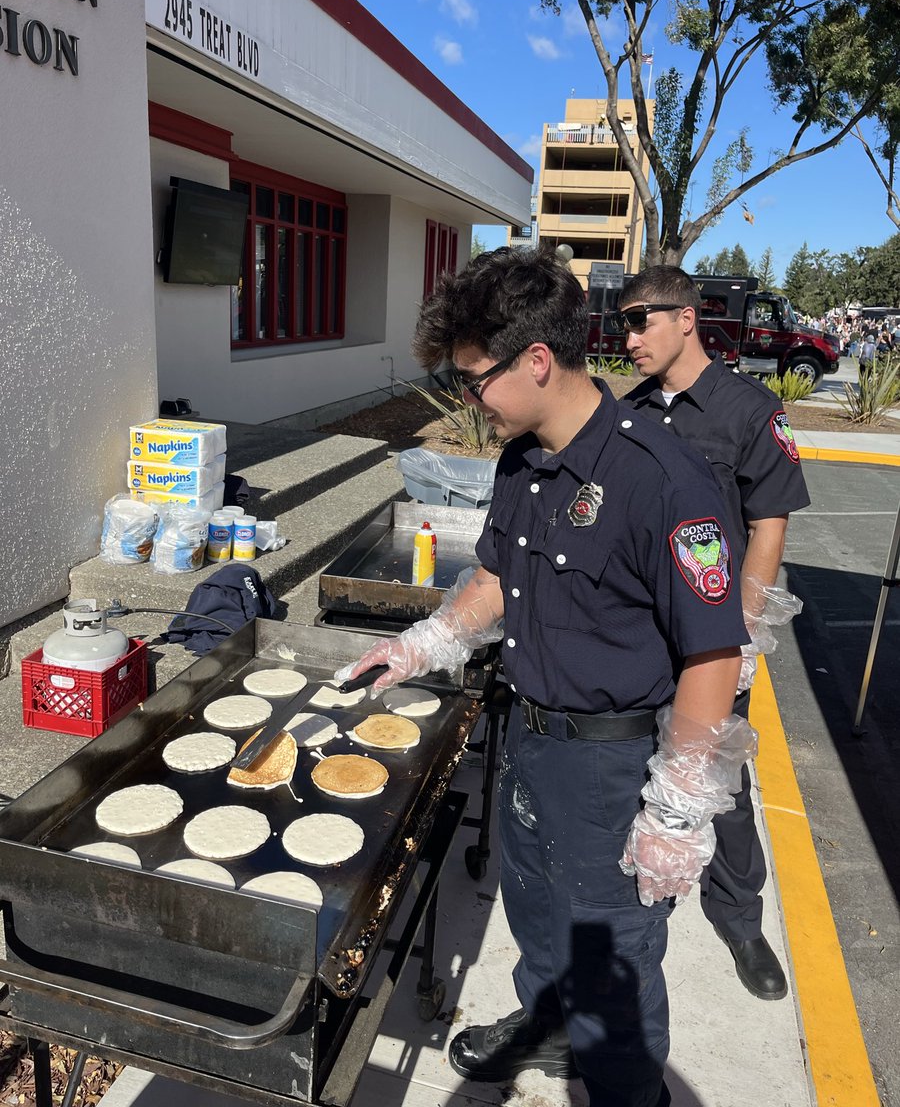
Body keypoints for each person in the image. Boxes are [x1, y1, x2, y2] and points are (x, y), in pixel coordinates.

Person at [336, 247, 753, 1107]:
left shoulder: (666, 479)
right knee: (534, 914)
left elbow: (714, 654)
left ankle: (626, 1088)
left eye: (473, 380)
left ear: (535, 361)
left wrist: (676, 810)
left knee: (613, 965)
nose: (469, 401)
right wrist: (422, 644)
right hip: (528, 737)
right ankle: (546, 1030)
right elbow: (493, 579)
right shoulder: (522, 460)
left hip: (613, 769)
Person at [619, 266, 810, 1001]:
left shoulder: (748, 411)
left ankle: (738, 916)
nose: (628, 337)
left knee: (718, 779)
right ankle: (640, 890)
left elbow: (769, 524)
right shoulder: (629, 411)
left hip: (714, 637)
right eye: (624, 323)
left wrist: (745, 637)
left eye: (641, 321)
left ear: (687, 318)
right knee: (637, 765)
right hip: (640, 630)